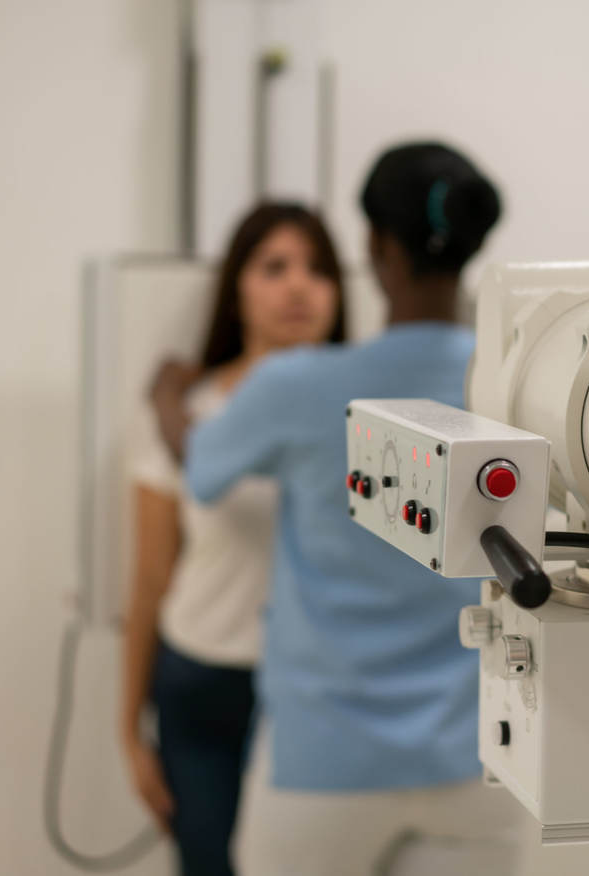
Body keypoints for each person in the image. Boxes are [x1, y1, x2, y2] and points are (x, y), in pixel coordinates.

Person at [157, 141, 519, 875]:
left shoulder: (298, 386)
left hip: (323, 768)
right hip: (477, 761)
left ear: (376, 247)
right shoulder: (513, 384)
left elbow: (199, 466)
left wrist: (165, 394)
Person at [121, 202, 345, 876]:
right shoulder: (186, 415)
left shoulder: (374, 418)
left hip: (323, 691)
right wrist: (128, 732)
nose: (298, 286)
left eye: (317, 269)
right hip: (205, 684)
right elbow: (151, 578)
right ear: (237, 289)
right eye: (274, 267)